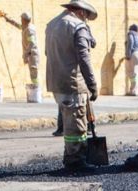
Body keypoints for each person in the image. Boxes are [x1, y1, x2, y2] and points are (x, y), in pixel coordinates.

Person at [46, 0, 99, 171]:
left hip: (56, 81)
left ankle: (71, 157)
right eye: (86, 17)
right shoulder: (77, 26)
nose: (86, 21)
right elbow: (84, 58)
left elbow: (51, 52)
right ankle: (75, 161)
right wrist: (92, 85)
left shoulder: (52, 24)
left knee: (69, 123)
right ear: (82, 12)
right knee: (77, 125)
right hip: (73, 82)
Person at [0, 11, 41, 98]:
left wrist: (26, 53)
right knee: (32, 73)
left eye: (22, 19)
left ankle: (36, 91)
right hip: (29, 53)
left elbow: (32, 43)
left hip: (32, 54)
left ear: (25, 20)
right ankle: (35, 89)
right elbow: (17, 25)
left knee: (34, 72)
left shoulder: (30, 30)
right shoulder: (25, 27)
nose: (21, 20)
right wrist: (7, 19)